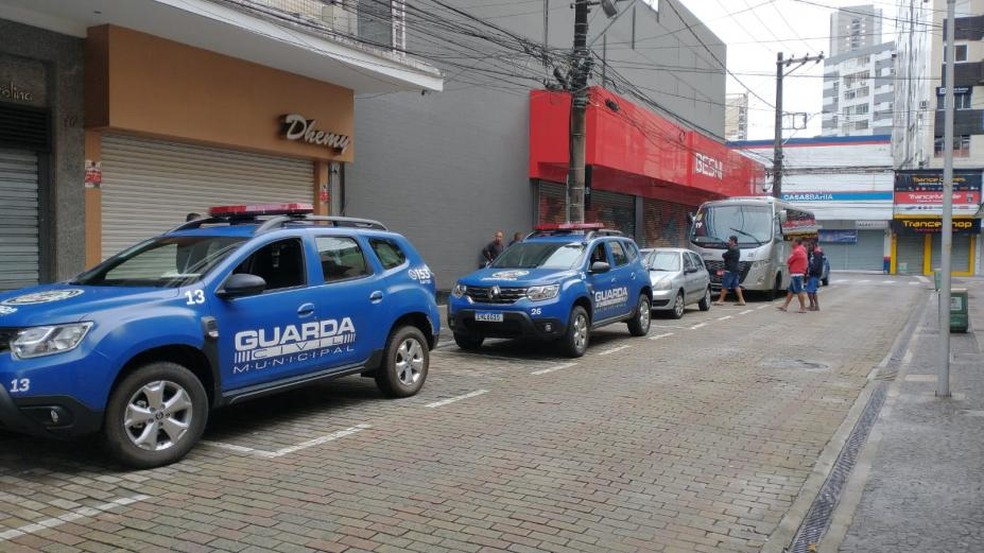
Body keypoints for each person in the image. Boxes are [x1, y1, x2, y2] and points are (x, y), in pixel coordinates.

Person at [778, 238, 808, 313]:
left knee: (799, 291)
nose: (791, 243)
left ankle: (803, 307)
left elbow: (789, 260)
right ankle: (785, 306)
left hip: (796, 274)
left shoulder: (797, 251)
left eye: (793, 241)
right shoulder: (802, 250)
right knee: (791, 291)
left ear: (797, 242)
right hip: (797, 273)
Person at [714, 235, 745, 306]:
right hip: (735, 269)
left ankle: (721, 300)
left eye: (729, 241)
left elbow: (724, 255)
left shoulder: (733, 250)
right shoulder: (737, 248)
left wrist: (726, 251)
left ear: (733, 241)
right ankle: (741, 300)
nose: (728, 242)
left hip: (729, 270)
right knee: (736, 285)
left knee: (725, 285)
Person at [806, 245, 825, 311]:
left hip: (814, 275)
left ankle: (812, 305)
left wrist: (809, 272)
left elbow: (815, 265)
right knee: (813, 291)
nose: (808, 247)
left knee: (809, 291)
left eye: (809, 245)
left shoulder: (817, 254)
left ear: (813, 245)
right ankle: (816, 306)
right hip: (815, 275)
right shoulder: (815, 253)